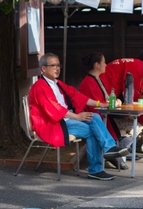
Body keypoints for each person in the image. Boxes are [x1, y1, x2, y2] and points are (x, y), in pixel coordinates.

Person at [28, 53, 129, 181]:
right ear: (43, 68)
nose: (57, 68)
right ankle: (98, 167)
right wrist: (77, 116)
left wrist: (101, 104)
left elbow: (77, 96)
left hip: (65, 120)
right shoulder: (39, 87)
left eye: (58, 65)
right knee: (93, 130)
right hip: (51, 124)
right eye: (53, 65)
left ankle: (108, 149)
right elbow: (54, 109)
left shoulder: (57, 84)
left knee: (95, 117)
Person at [78, 51, 130, 170]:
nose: (106, 65)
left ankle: (115, 153)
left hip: (103, 115)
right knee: (132, 126)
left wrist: (114, 102)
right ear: (97, 65)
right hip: (97, 117)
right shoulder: (89, 82)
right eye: (104, 62)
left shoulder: (95, 79)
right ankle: (114, 153)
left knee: (130, 125)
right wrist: (112, 103)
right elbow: (96, 105)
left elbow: (102, 101)